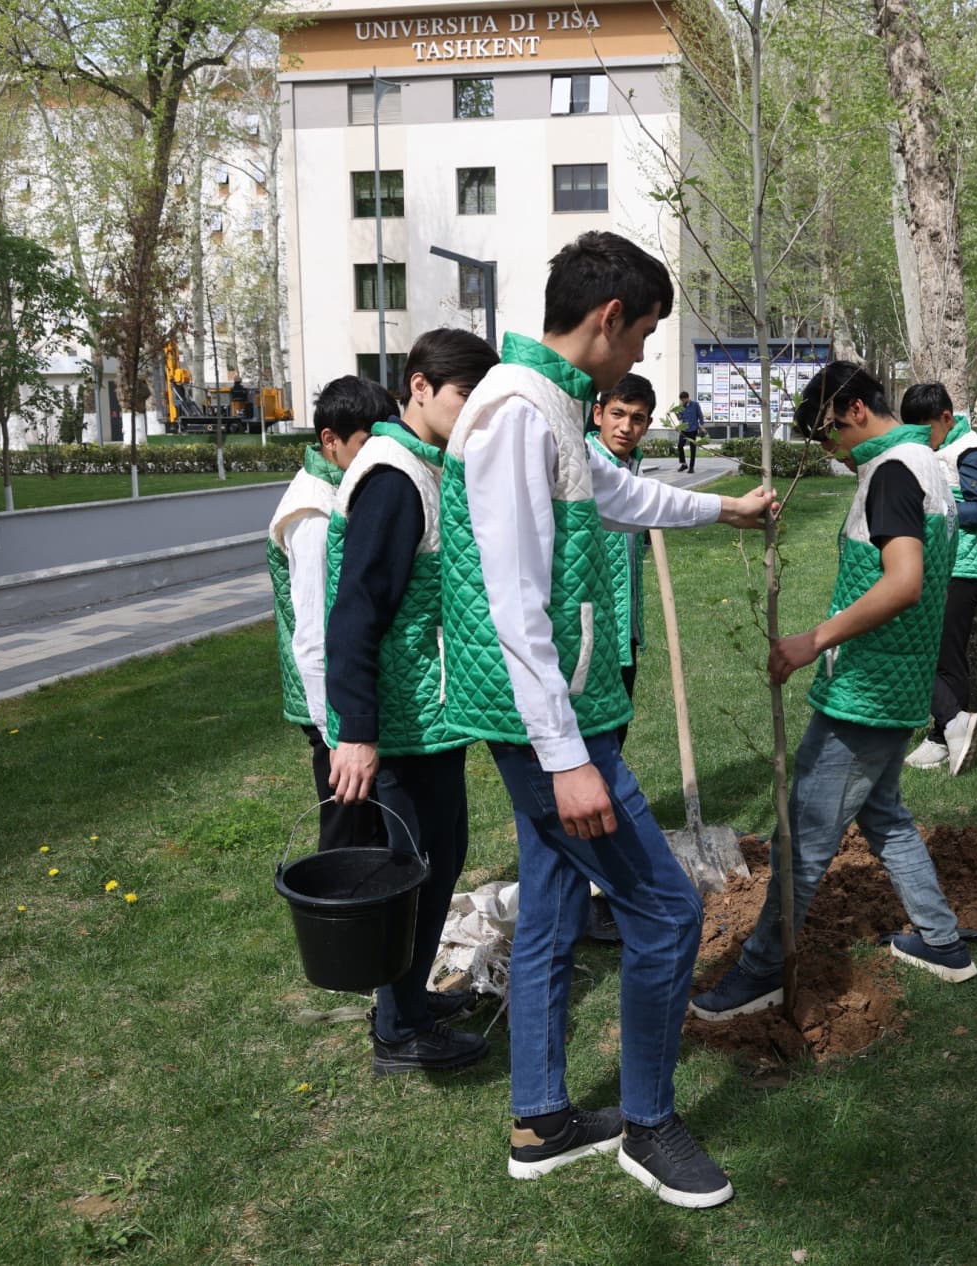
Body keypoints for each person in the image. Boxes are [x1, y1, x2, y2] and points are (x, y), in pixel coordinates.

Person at [439, 231, 775, 1208]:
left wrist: (723, 513)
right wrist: (565, 761)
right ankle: (647, 1124)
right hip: (549, 728)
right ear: (608, 318)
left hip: (558, 719)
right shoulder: (513, 411)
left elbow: (613, 491)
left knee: (547, 908)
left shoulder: (548, 405)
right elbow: (511, 601)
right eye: (643, 338)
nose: (639, 361)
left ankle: (542, 1119)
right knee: (666, 914)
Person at [691, 362, 976, 1021]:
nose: (830, 454)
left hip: (869, 686)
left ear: (849, 409)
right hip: (898, 678)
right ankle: (942, 942)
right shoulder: (925, 459)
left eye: (824, 437)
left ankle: (760, 972)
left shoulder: (893, 473)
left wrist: (811, 640)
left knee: (803, 834)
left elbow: (903, 582)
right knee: (885, 816)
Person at [325, 327, 500, 1073]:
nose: (471, 414)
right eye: (464, 397)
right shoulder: (394, 475)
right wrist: (357, 730)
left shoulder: (426, 467)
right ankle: (398, 1030)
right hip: (395, 724)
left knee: (440, 857)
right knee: (405, 872)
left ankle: (413, 1000)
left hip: (429, 715)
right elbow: (355, 610)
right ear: (419, 386)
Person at [267, 376, 385, 853]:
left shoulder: (340, 489)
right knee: (347, 838)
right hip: (331, 708)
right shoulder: (313, 513)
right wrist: (336, 733)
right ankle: (337, 920)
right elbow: (314, 633)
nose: (375, 456)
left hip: (341, 702)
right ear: (329, 441)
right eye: (364, 444)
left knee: (366, 831)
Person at [900, 384, 977, 776]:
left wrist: (928, 508)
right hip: (934, 565)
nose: (920, 439)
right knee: (933, 652)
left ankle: (946, 734)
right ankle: (948, 730)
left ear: (946, 417)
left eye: (926, 430)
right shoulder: (938, 446)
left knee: (937, 654)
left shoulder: (971, 451)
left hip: (960, 568)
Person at [586, 372, 657, 715]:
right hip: (587, 636)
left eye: (637, 418)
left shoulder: (632, 469)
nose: (626, 427)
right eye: (618, 414)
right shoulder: (585, 465)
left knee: (617, 727)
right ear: (599, 414)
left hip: (623, 633)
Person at [677, 389, 704, 472]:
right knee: (680, 445)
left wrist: (702, 426)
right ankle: (684, 464)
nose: (682, 401)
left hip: (693, 430)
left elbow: (700, 416)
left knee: (692, 449)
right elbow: (680, 418)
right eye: (681, 400)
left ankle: (691, 467)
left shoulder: (695, 405)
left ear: (687, 398)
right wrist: (676, 413)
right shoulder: (681, 407)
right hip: (684, 430)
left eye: (683, 400)